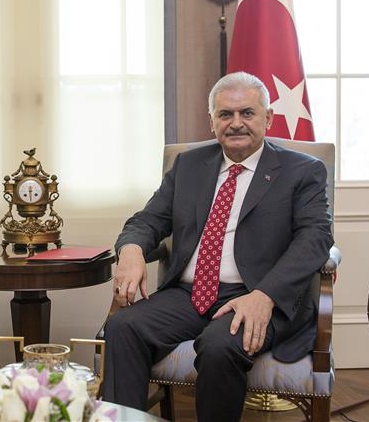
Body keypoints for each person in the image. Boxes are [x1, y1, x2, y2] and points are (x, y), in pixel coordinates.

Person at [102, 71, 333, 421]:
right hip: (189, 294)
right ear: (212, 122)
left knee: (219, 345)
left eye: (247, 113)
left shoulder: (302, 171)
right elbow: (148, 220)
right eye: (225, 114)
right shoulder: (189, 165)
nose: (236, 123)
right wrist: (131, 249)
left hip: (257, 294)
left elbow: (316, 238)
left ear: (268, 118)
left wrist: (265, 295)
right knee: (123, 326)